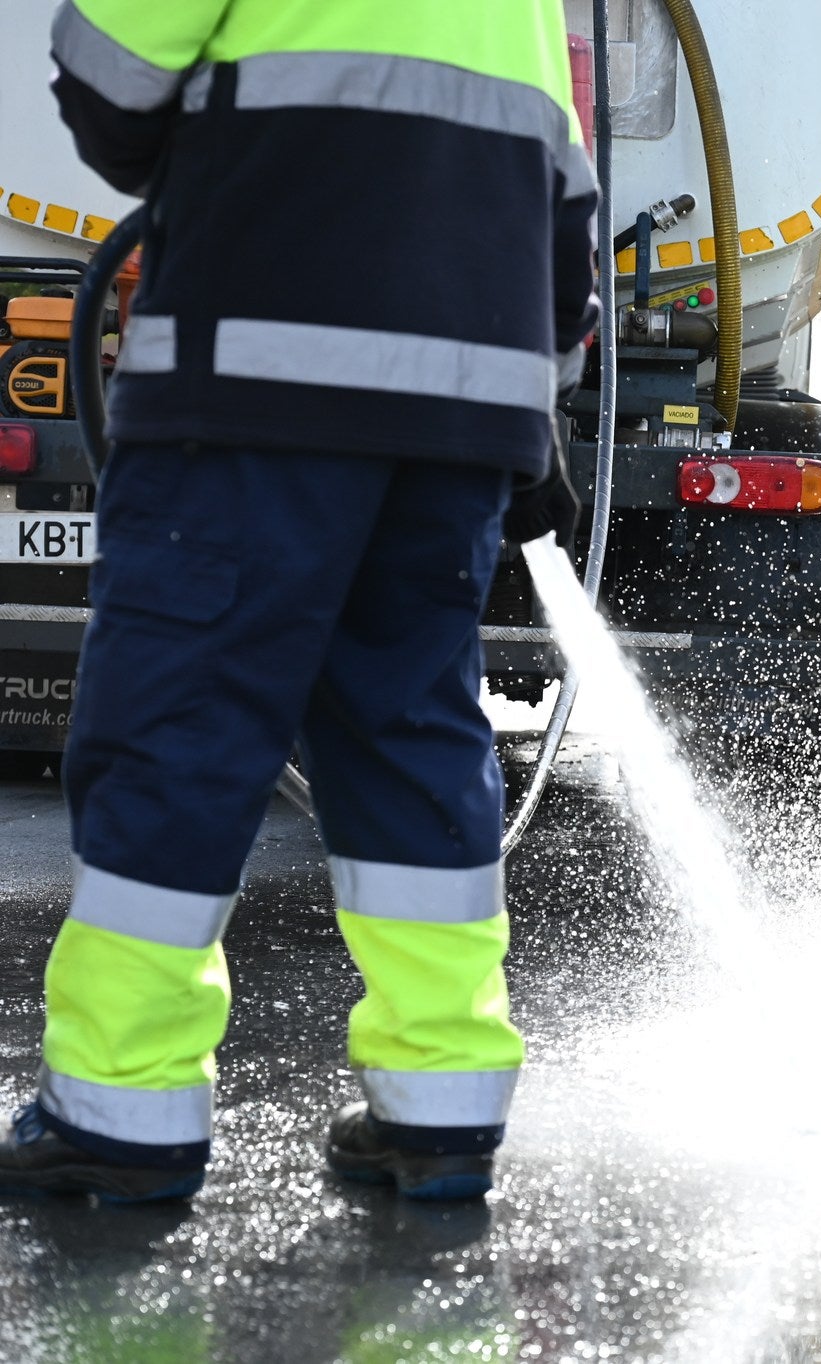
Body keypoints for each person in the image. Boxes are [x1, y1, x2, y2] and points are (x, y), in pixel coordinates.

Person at [0, 0, 596, 1203]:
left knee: (180, 722)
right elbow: (564, 221)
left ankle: (120, 1107)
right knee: (411, 732)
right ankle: (442, 1101)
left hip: (254, 386)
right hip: (461, 416)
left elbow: (107, 81)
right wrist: (534, 417)